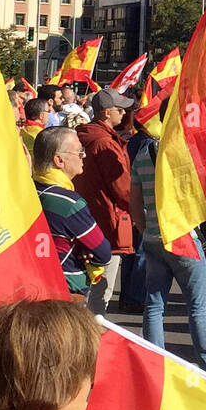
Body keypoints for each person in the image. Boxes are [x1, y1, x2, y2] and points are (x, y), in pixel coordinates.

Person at [129, 123, 206, 393]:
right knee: (197, 308)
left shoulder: (143, 153)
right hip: (183, 238)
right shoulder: (183, 154)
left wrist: (144, 229)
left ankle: (155, 364)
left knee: (155, 305)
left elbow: (134, 200)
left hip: (153, 236)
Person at [73, 88, 136, 315]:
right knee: (101, 290)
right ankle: (93, 341)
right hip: (107, 220)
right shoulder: (105, 143)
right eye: (120, 110)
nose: (123, 114)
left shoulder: (83, 136)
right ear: (107, 113)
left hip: (85, 216)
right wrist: (140, 206)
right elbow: (122, 188)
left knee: (86, 286)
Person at [32, 126, 112, 299]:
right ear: (59, 160)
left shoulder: (27, 191)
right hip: (65, 289)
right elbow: (103, 253)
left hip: (32, 284)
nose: (84, 156)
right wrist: (82, 249)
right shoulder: (69, 203)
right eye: (79, 152)